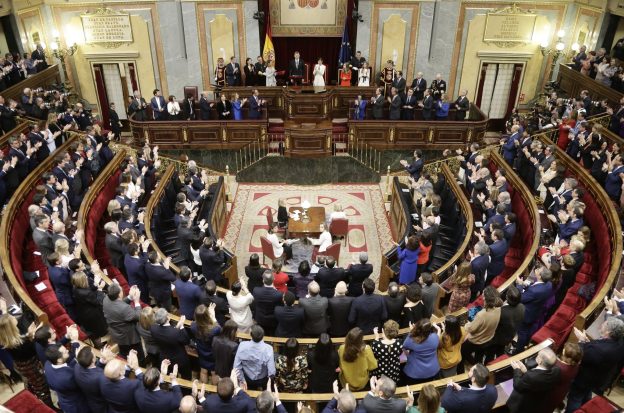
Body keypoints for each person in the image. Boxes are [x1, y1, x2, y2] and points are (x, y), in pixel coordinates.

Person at [565, 318, 624, 412]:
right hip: (599, 378)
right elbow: (595, 350)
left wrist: (581, 341)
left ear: (608, 331)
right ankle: (585, 408)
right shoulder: (620, 343)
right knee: (586, 394)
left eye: (604, 324)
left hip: (584, 379)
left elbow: (581, 355)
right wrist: (587, 342)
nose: (601, 325)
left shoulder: (599, 350)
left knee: (575, 398)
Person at [0, 312, 52, 405]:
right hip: (30, 367)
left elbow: (22, 339)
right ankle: (49, 406)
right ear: (11, 328)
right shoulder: (20, 345)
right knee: (41, 387)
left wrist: (29, 334)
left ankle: (32, 392)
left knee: (32, 383)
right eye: (13, 318)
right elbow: (31, 347)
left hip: (21, 366)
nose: (15, 317)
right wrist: (33, 335)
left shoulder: (7, 340)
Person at [507, 348, 561, 413]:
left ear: (540, 361)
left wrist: (517, 370)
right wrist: (525, 371)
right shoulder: (557, 371)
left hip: (524, 404)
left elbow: (517, 386)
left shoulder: (530, 376)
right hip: (539, 401)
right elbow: (537, 377)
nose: (537, 356)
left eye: (538, 355)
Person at [515, 267, 553, 352]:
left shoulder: (534, 291)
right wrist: (525, 284)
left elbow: (520, 298)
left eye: (538, 270)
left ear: (539, 276)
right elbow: (535, 288)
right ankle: (525, 344)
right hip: (536, 311)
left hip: (526, 314)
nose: (536, 269)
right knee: (528, 330)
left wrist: (519, 285)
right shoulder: (549, 284)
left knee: (522, 332)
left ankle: (518, 351)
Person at [461, 287, 501, 365]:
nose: (482, 297)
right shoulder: (498, 308)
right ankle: (476, 367)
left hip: (476, 341)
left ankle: (461, 373)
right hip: (487, 339)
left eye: (483, 295)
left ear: (486, 299)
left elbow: (471, 329)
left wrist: (466, 324)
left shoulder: (482, 315)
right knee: (479, 356)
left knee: (462, 352)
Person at [43, 342, 87, 413]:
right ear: (59, 360)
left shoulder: (47, 364)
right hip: (77, 405)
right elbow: (82, 385)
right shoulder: (68, 377)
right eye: (64, 352)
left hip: (63, 398)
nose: (67, 350)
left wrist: (76, 359)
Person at [102, 283, 143, 357]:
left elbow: (118, 305)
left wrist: (130, 297)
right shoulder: (125, 308)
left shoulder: (106, 299)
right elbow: (138, 316)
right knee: (138, 356)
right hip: (130, 338)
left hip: (117, 335)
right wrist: (136, 301)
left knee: (124, 353)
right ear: (119, 294)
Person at [150, 308, 192, 379]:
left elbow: (169, 333)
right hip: (180, 359)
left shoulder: (153, 328)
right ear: (168, 318)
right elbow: (186, 341)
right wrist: (181, 326)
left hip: (165, 358)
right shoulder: (175, 332)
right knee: (186, 376)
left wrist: (177, 327)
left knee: (168, 376)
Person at [233, 325, 276, 390]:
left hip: (247, 377)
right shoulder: (268, 349)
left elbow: (236, 367)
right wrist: (269, 385)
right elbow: (271, 372)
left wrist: (242, 380)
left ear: (251, 335)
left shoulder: (242, 346)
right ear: (263, 336)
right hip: (262, 378)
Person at [487, 285, 524, 360]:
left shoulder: (502, 312)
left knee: (490, 354)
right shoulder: (522, 307)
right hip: (509, 336)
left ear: (507, 297)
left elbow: (493, 324)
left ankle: (489, 365)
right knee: (500, 352)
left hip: (496, 338)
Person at [544, 342, 582, 413]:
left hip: (551, 393)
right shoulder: (576, 366)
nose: (563, 350)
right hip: (562, 391)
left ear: (568, 357)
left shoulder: (559, 367)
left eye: (564, 350)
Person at [71, 270, 108, 340]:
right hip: (92, 313)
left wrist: (96, 284)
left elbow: (90, 289)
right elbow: (98, 301)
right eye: (85, 277)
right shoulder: (85, 293)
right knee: (100, 329)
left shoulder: (75, 287)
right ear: (82, 281)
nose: (86, 277)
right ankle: (102, 339)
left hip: (84, 311)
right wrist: (100, 289)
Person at [403, 320, 441, 384]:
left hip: (415, 372)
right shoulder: (435, 337)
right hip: (432, 370)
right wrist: (439, 329)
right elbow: (438, 336)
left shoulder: (412, 339)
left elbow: (404, 347)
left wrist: (411, 332)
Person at [191, 304, 222, 383]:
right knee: (214, 373)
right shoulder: (215, 329)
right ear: (207, 316)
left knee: (203, 370)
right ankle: (214, 389)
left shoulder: (193, 326)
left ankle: (204, 387)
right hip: (212, 353)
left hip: (201, 351)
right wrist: (213, 317)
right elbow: (219, 329)